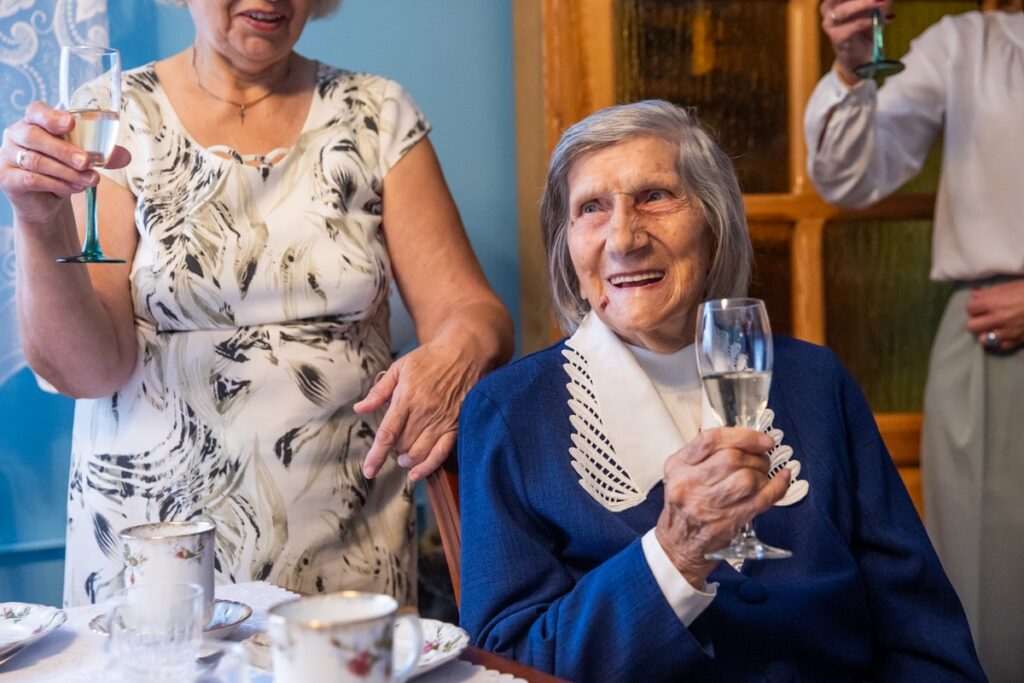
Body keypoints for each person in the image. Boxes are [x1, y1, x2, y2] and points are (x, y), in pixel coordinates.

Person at [0, 0, 513, 607]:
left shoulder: (378, 113)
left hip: (346, 544)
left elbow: (474, 312)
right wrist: (38, 222)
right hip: (155, 553)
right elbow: (87, 370)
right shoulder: (116, 115)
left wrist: (457, 351)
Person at [457, 100, 984, 682]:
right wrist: (674, 554)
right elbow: (508, 665)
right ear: (568, 245)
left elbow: (922, 632)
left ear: (714, 222)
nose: (624, 237)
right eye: (592, 209)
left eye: (655, 196)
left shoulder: (816, 381)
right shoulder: (509, 412)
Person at [804, 2, 1023, 678]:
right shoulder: (967, 46)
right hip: (995, 354)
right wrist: (853, 64)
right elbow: (850, 173)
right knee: (994, 598)